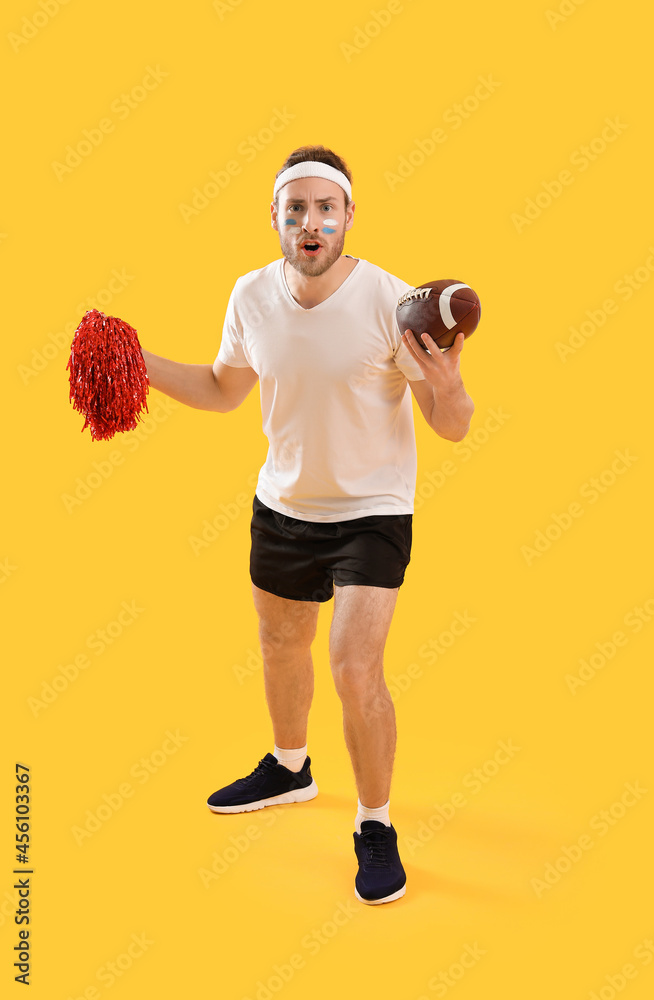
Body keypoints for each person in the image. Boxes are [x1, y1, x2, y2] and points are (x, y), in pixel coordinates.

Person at [140, 144, 474, 905]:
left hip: (371, 510)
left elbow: (448, 425)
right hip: (284, 505)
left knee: (354, 668)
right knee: (280, 644)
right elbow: (224, 389)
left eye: (326, 207)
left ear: (349, 217)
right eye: (296, 209)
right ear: (275, 219)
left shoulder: (394, 304)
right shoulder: (251, 295)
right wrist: (138, 358)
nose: (310, 222)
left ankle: (374, 823)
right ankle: (290, 768)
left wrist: (450, 384)